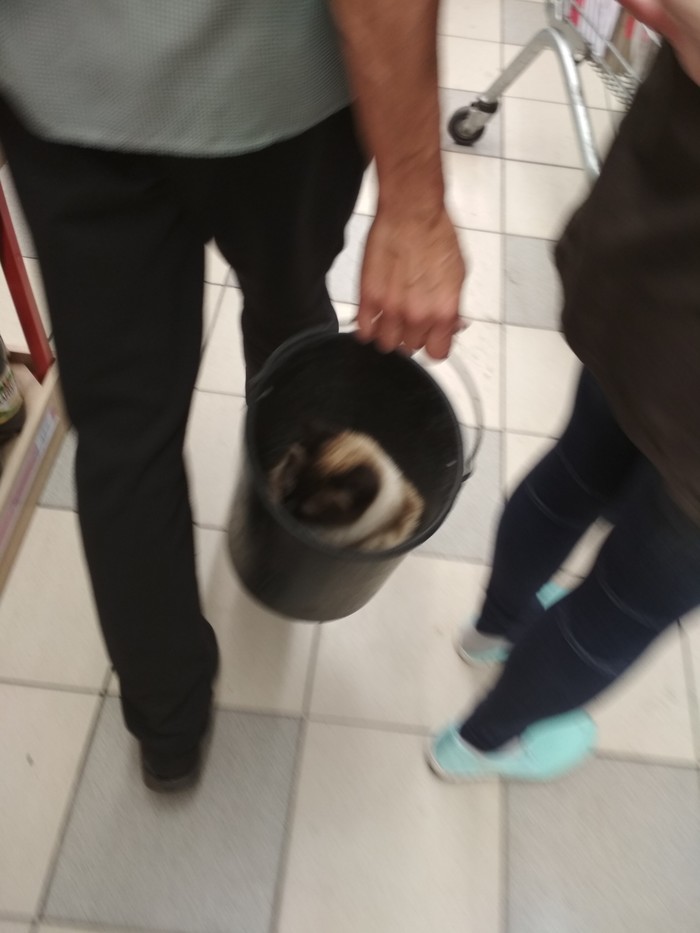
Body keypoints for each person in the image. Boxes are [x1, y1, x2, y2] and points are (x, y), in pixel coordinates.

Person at [0, 1, 465, 792]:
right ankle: (290, 541)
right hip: (278, 89)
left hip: (67, 91)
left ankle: (167, 726)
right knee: (288, 315)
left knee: (126, 431)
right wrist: (415, 204)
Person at [428, 1, 700, 782]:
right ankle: (481, 740)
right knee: (626, 605)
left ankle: (494, 626)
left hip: (651, 276)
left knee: (577, 468)